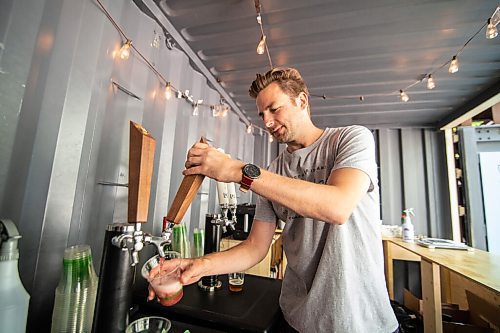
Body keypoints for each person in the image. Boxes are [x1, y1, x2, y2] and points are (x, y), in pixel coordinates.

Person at [149, 67, 399, 333]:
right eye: (261, 114)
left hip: (362, 322)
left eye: (274, 109)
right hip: (296, 321)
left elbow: (337, 207)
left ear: (301, 101)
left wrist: (237, 170)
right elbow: (255, 247)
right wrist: (199, 264)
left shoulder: (349, 140)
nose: (266, 122)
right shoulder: (272, 173)